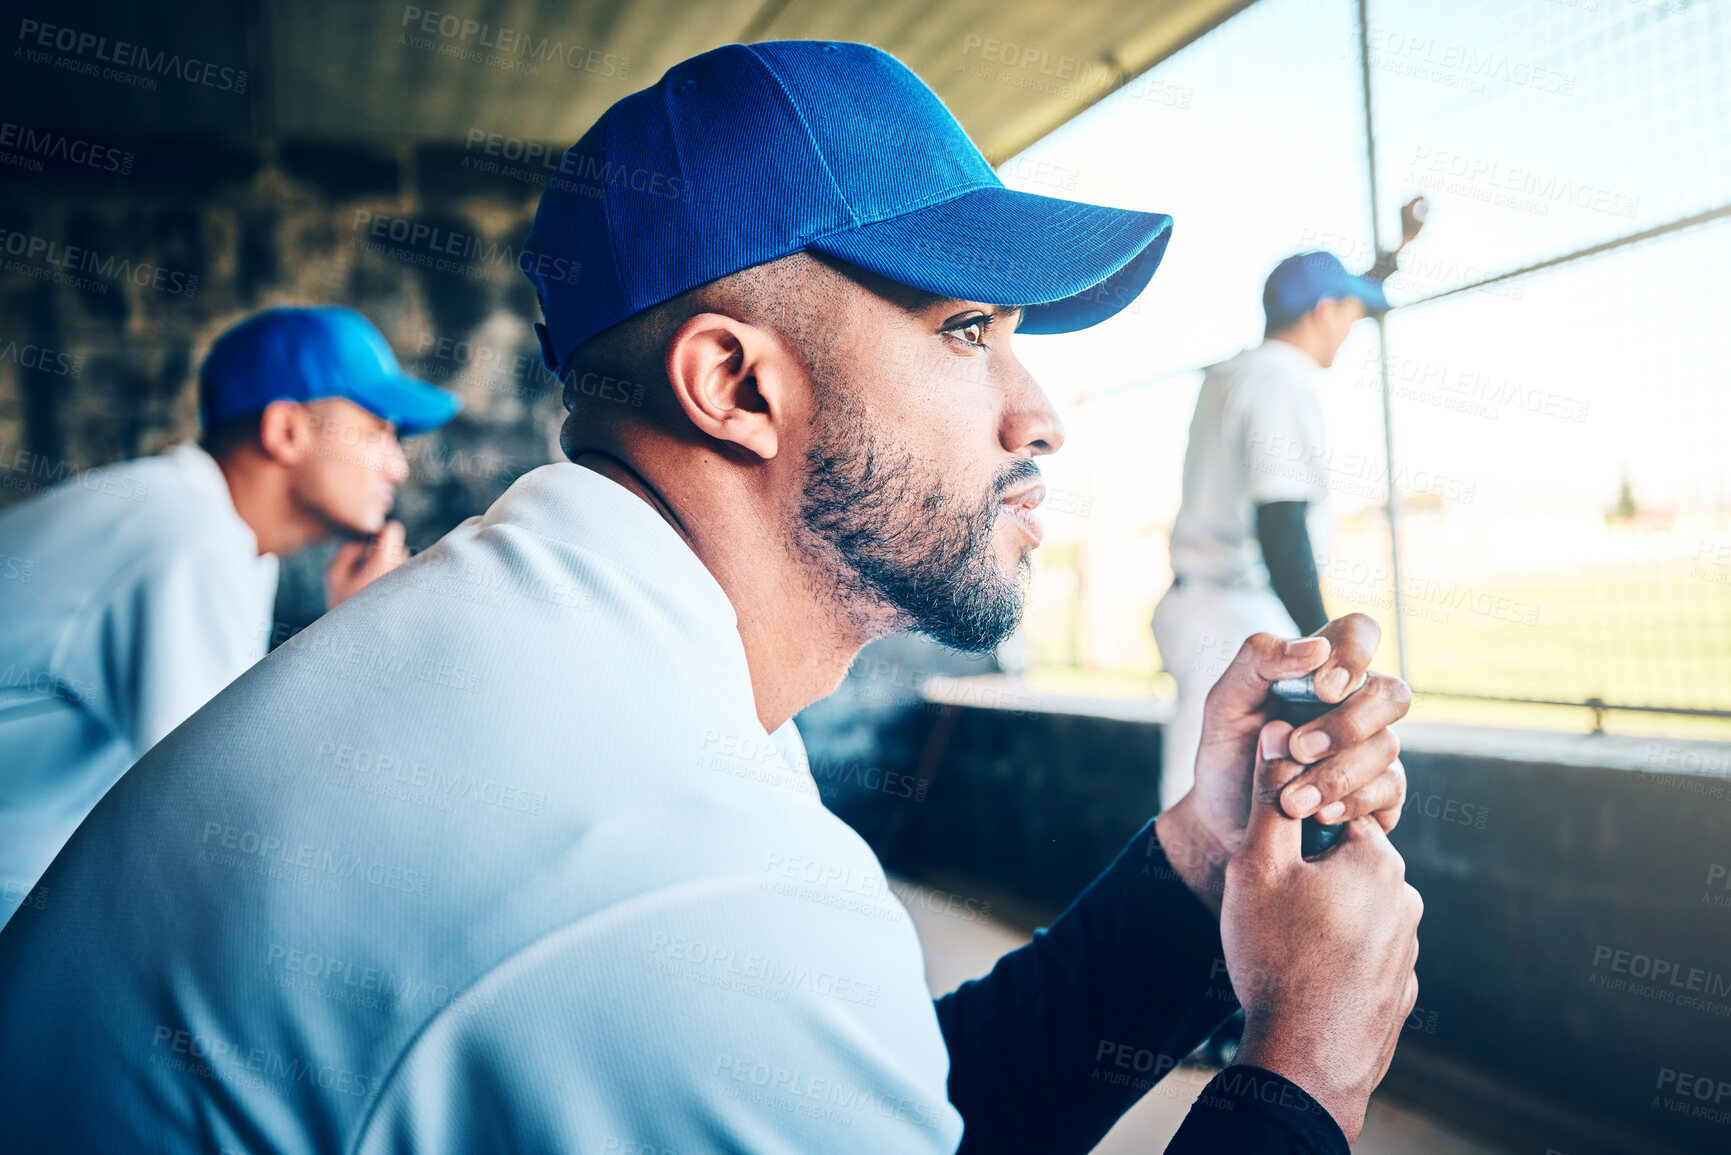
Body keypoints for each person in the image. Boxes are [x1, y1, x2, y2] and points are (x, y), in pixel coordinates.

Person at [0, 43, 1419, 1154]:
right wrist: (1303, 1067)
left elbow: (892, 1103)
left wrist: (1199, 866)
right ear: (734, 383)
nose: (1035, 413)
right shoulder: (664, 849)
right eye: (966, 331)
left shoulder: (588, 641)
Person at [0, 305, 459, 927]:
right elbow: (225, 823)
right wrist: (359, 637)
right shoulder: (187, 539)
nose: (398, 466)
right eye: (379, 431)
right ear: (287, 431)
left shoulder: (222, 537)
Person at [1153, 202, 1426, 811]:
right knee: (1214, 805)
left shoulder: (1234, 372)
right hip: (1237, 615)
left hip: (1204, 602)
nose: (1352, 328)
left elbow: (1354, 290)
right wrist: (1322, 643)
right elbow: (1280, 524)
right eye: (1348, 314)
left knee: (1206, 792)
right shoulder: (1284, 380)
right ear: (1324, 312)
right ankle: (1183, 908)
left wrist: (1396, 252)